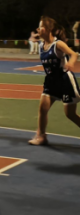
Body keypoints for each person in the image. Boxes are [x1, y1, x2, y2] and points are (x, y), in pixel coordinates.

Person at [28, 16, 80, 146]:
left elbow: (74, 54)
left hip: (65, 81)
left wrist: (71, 63)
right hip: (51, 81)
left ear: (48, 29)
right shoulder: (41, 45)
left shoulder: (58, 44)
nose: (38, 29)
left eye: (41, 26)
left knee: (70, 114)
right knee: (42, 108)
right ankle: (41, 136)